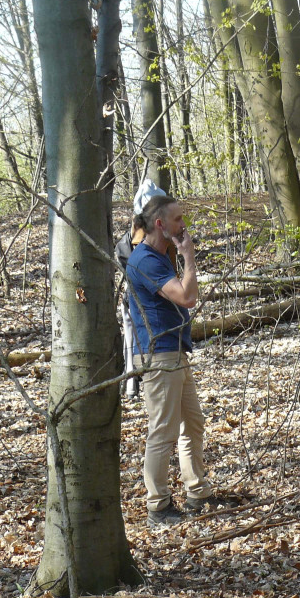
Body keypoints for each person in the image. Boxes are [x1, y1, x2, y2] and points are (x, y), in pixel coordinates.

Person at [126, 193, 228, 525]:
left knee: (192, 423)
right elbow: (186, 297)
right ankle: (158, 506)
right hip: (158, 354)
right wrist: (189, 257)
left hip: (175, 352)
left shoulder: (159, 255)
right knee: (163, 430)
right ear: (160, 224)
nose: (184, 225)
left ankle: (198, 494)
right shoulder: (146, 260)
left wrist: (181, 256)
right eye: (178, 219)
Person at [116, 180, 167, 398]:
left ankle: (140, 384)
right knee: (132, 341)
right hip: (136, 300)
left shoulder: (163, 239)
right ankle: (131, 386)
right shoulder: (127, 244)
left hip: (157, 302)